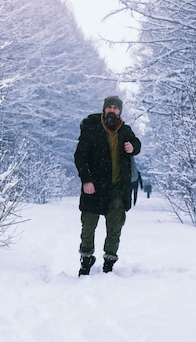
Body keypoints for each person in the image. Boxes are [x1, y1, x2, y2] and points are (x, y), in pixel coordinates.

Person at [74, 96, 141, 275]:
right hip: (93, 188)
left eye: (116, 108)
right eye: (109, 107)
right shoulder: (91, 127)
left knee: (115, 227)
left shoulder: (125, 130)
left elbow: (137, 144)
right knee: (88, 226)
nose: (112, 110)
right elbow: (80, 157)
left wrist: (132, 147)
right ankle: (86, 260)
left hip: (117, 190)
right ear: (104, 109)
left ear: (120, 111)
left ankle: (109, 263)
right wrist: (86, 181)